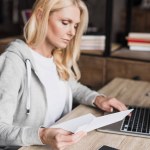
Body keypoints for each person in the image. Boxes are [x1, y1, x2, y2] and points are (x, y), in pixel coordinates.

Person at [0, 0, 127, 149]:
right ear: (41, 16)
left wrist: (97, 98)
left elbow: (71, 86)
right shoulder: (14, 61)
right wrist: (42, 135)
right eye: (65, 22)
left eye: (75, 25)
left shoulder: (56, 57)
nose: (72, 32)